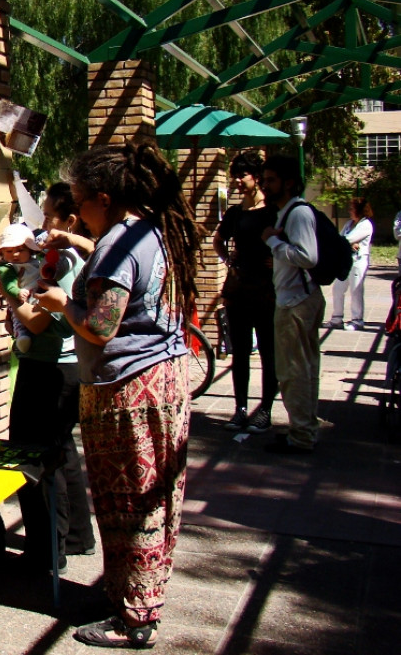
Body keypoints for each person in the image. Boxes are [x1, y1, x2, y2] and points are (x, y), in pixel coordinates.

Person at [33, 140, 199, 649]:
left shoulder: (115, 245)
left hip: (127, 392)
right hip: (166, 381)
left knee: (128, 502)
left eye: (80, 202)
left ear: (103, 198)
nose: (77, 211)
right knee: (156, 499)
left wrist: (63, 304)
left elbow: (102, 326)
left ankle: (133, 618)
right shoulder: (155, 228)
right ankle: (140, 596)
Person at [0, 183, 95, 571]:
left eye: (50, 215)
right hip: (65, 367)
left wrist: (9, 295)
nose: (42, 224)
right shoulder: (65, 254)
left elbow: (39, 324)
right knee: (60, 450)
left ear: (70, 220)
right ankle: (75, 537)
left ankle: (47, 550)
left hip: (51, 368)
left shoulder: (62, 262)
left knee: (32, 453)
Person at [260, 155, 324, 455]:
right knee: (305, 368)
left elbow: (308, 257)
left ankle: (300, 435)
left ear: (287, 182)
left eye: (270, 180)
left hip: (295, 302)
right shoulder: (289, 212)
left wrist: (273, 243)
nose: (264, 185)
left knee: (293, 371)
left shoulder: (297, 213)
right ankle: (304, 429)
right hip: (298, 298)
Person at [212, 151, 278, 433]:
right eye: (235, 176)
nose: (237, 181)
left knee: (267, 351)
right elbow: (218, 239)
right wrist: (228, 260)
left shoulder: (273, 210)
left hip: (266, 290)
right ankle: (240, 409)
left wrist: (278, 259)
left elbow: (286, 241)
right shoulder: (235, 213)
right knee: (239, 351)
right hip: (239, 289)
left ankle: (265, 409)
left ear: (256, 177)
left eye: (243, 175)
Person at [0, 223, 42, 354]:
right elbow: (8, 285)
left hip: (36, 298)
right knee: (18, 320)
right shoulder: (7, 267)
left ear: (30, 250)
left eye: (21, 250)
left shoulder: (36, 263)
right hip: (21, 298)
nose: (15, 254)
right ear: (2, 252)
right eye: (9, 251)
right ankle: (21, 337)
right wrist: (17, 292)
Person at [328, 198, 374, 331]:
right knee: (337, 289)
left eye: (352, 209)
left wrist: (346, 243)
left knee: (356, 290)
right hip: (345, 261)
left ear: (359, 210)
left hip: (358, 262)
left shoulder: (366, 225)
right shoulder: (349, 224)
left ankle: (357, 320)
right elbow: (340, 239)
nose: (349, 211)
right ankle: (336, 318)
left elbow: (347, 239)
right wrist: (346, 244)